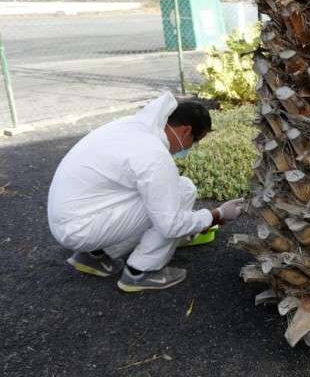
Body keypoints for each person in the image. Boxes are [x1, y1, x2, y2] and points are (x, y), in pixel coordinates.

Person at [47, 92, 246, 292]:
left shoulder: (132, 127)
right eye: (195, 141)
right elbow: (170, 225)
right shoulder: (154, 154)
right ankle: (140, 272)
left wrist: (194, 224)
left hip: (71, 219)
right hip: (81, 228)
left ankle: (94, 255)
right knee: (182, 191)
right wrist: (216, 214)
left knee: (169, 194)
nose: (190, 148)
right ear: (186, 131)